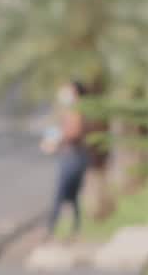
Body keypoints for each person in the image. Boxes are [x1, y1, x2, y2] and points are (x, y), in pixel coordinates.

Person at [43, 81, 89, 239]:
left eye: (68, 90)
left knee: (61, 195)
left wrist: (56, 142)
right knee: (72, 196)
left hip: (73, 157)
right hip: (73, 156)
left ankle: (51, 230)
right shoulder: (71, 110)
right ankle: (74, 230)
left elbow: (73, 133)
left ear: (75, 92)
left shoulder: (78, 110)